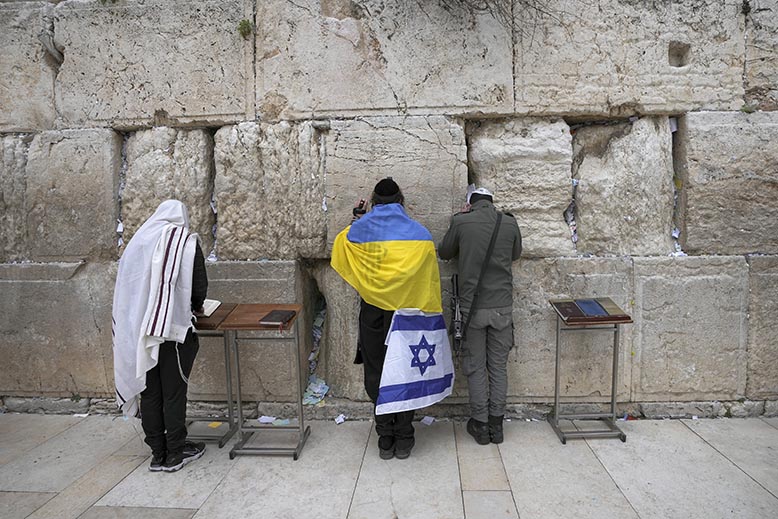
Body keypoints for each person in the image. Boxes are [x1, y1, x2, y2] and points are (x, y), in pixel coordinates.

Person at [331, 178, 442, 460]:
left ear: (374, 201)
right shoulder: (421, 235)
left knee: (376, 371)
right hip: (407, 315)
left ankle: (384, 438)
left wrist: (357, 218)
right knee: (405, 371)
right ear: (401, 200)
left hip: (373, 313)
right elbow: (428, 280)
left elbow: (341, 245)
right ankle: (404, 437)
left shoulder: (358, 232)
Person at [112, 200, 208, 472]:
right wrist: (194, 306)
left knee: (150, 392)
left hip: (140, 331)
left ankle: (158, 453)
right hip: (173, 330)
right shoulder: (185, 243)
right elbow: (198, 287)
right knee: (174, 392)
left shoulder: (138, 243)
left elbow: (127, 287)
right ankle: (176, 453)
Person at [438, 187, 521, 445]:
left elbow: (444, 251)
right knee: (498, 367)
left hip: (472, 308)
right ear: (492, 202)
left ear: (469, 203)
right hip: (502, 307)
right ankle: (497, 426)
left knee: (475, 368)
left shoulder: (462, 221)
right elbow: (515, 254)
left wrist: (460, 220)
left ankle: (481, 426)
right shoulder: (508, 223)